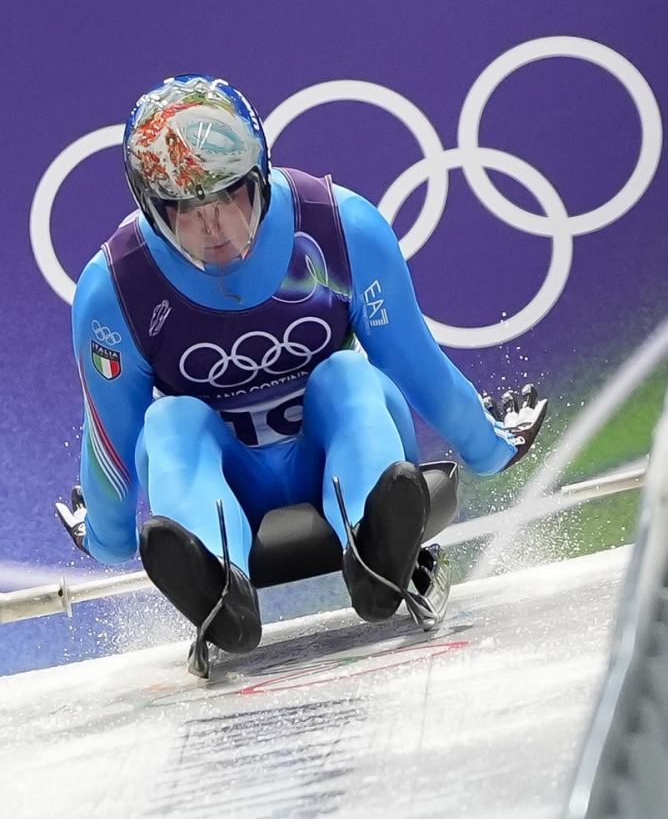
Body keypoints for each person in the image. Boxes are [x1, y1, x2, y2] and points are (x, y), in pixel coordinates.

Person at [58, 74, 546, 665]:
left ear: (260, 176)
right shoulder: (114, 290)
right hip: (227, 483)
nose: (215, 227)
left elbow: (415, 364)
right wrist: (108, 536)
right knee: (169, 421)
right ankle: (223, 590)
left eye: (231, 197)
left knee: (347, 376)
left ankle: (373, 551)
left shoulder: (339, 227)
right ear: (151, 209)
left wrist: (487, 447)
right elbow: (111, 435)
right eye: (186, 210)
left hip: (338, 447)